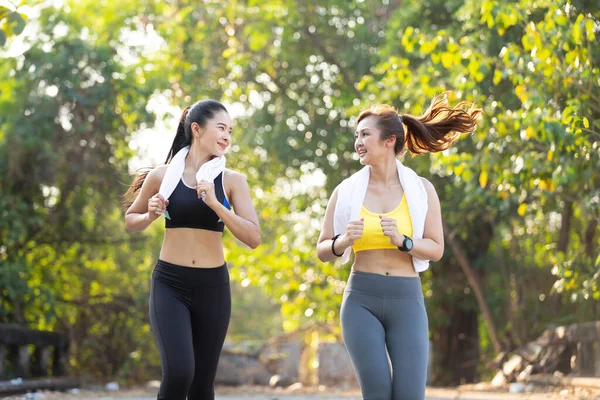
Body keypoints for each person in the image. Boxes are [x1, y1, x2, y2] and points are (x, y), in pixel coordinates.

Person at [317, 94, 481, 400]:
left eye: (365, 134)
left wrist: (404, 242)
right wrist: (343, 241)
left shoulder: (422, 190)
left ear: (389, 140)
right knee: (377, 392)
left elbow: (435, 248)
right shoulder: (346, 192)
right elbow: (323, 249)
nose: (358, 142)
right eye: (357, 135)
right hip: (360, 300)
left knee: (409, 394)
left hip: (407, 300)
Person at [123, 100, 261, 400]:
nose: (227, 136)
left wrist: (215, 203)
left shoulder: (232, 181)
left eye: (230, 131)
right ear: (197, 129)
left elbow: (253, 237)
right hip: (170, 284)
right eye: (221, 128)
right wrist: (149, 214)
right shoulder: (162, 176)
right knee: (179, 372)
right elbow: (131, 221)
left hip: (213, 287)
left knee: (201, 385)